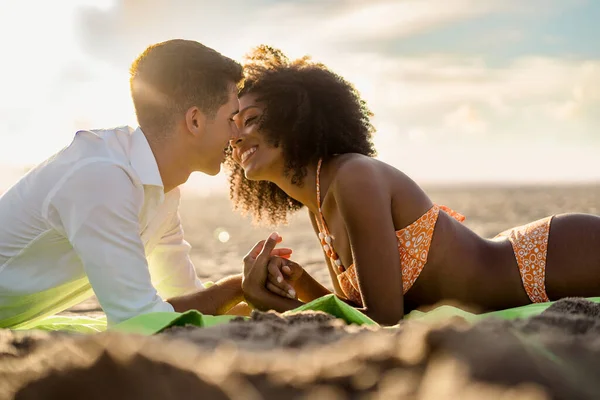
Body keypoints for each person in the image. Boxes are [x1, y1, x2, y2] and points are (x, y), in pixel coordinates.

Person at [230, 46, 600, 326]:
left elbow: (383, 318)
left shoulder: (353, 177)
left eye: (252, 119)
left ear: (295, 118)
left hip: (549, 260)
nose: (238, 137)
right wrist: (301, 283)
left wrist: (276, 308)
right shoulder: (318, 205)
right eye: (233, 126)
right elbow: (360, 311)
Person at [0, 39, 291, 328]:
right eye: (231, 118)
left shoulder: (160, 189)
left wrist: (250, 283)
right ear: (195, 121)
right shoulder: (104, 178)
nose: (235, 134)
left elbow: (183, 297)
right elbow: (139, 321)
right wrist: (237, 286)